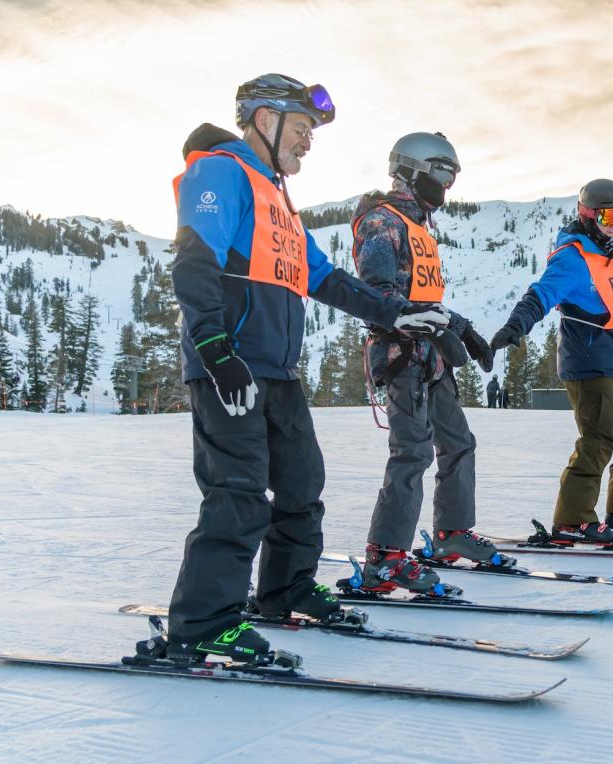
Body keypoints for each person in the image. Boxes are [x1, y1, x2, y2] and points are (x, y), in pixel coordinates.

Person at [163, 73, 452, 664]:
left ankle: (285, 589)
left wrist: (398, 315)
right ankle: (201, 623)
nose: (308, 141)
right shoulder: (220, 172)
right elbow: (194, 264)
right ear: (263, 120)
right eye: (301, 128)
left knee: (301, 485)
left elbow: (324, 278)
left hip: (276, 368)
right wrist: (217, 351)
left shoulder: (276, 197)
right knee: (238, 493)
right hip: (232, 364)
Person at [351, 131, 504, 594]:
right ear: (412, 170)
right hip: (401, 358)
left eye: (452, 175)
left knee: (458, 442)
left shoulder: (418, 225)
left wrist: (462, 329)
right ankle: (386, 557)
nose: (447, 185)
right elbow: (377, 293)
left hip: (430, 357)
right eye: (442, 173)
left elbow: (421, 296)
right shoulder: (382, 222)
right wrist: (435, 324)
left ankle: (452, 534)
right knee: (412, 451)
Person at [490, 178, 613, 544]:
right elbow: (540, 295)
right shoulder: (573, 258)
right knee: (598, 438)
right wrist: (515, 326)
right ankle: (572, 519)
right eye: (608, 216)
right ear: (587, 214)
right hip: (587, 363)